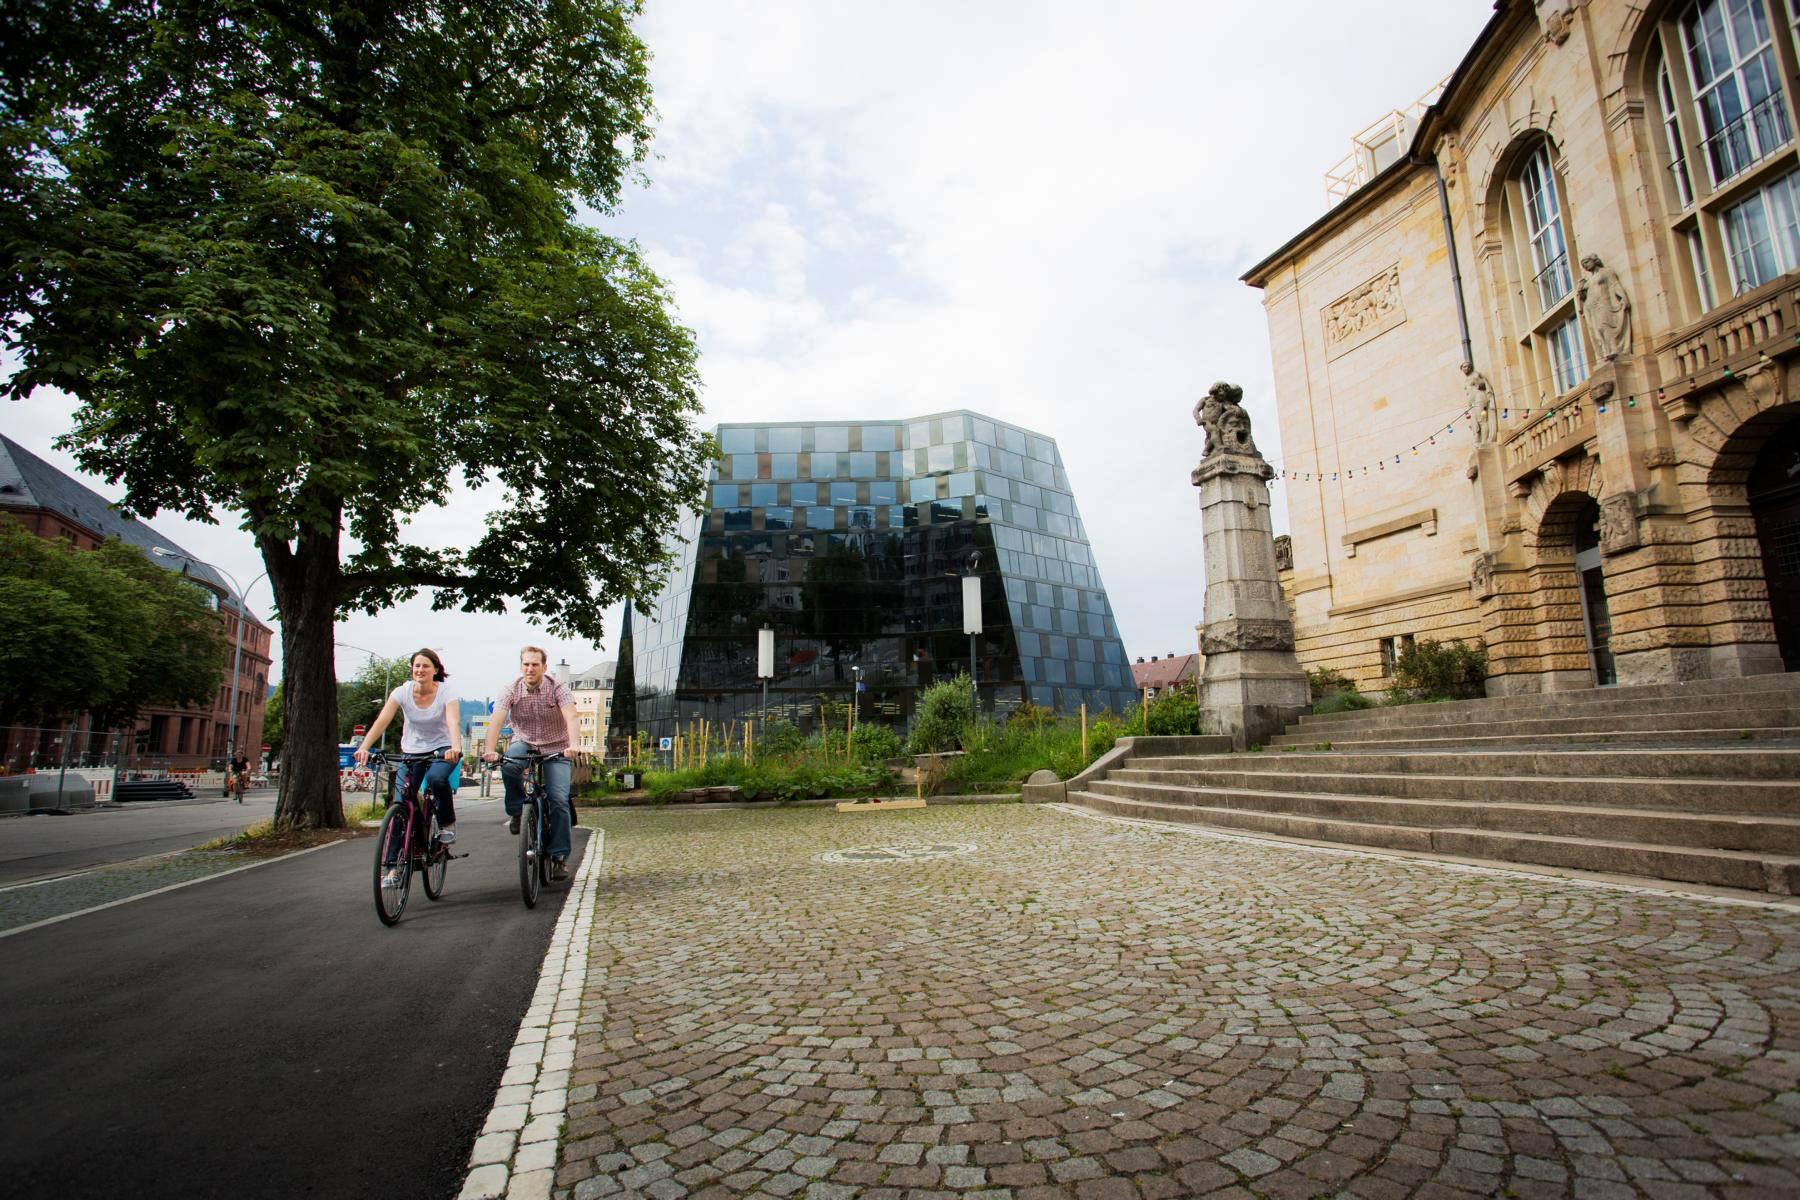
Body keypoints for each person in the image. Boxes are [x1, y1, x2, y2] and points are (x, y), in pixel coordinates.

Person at [355, 649, 462, 887]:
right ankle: (393, 869)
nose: (420, 670)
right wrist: (364, 747)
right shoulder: (402, 692)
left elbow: (453, 721)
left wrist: (455, 747)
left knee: (437, 780)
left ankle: (447, 823)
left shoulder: (447, 692)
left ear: (435, 669)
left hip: (442, 748)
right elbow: (382, 720)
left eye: (425, 666)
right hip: (411, 751)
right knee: (400, 805)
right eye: (416, 666)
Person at [482, 645, 580, 880]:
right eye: (526, 664)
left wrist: (573, 745)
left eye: (535, 664)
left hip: (556, 746)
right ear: (521, 666)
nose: (530, 669)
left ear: (544, 667)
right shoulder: (511, 689)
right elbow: (497, 719)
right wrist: (489, 749)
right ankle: (517, 811)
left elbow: (571, 715)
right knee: (510, 764)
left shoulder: (558, 688)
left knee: (558, 799)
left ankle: (558, 856)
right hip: (524, 742)